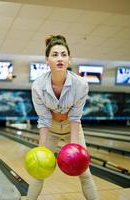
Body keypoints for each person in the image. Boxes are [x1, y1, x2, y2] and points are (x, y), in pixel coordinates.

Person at [27, 35, 99, 200]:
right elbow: (44, 120)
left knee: (85, 173)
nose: (60, 58)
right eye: (55, 55)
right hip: (50, 130)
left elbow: (75, 117)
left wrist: (74, 150)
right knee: (39, 171)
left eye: (63, 54)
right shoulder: (38, 86)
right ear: (47, 60)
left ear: (69, 59)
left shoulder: (81, 85)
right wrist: (42, 151)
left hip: (71, 128)